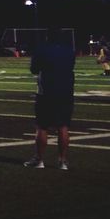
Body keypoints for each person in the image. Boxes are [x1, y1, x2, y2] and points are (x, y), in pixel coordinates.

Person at [25, 31, 74, 170]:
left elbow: (34, 69)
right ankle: (63, 161)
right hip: (66, 90)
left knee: (42, 126)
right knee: (63, 126)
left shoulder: (42, 49)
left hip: (46, 90)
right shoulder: (69, 50)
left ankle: (39, 160)